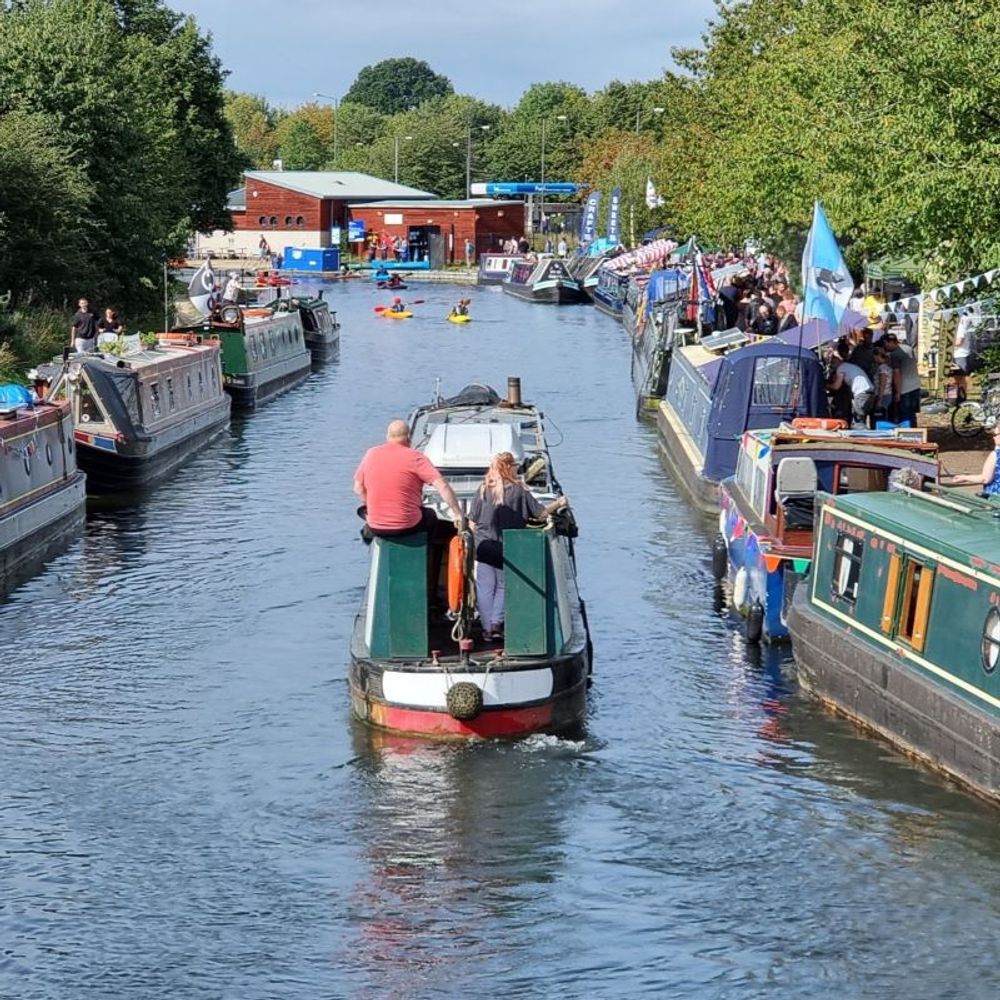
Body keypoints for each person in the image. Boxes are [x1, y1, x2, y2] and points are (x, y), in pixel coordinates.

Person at [468, 452, 566, 641]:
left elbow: (472, 521)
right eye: (514, 465)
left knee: (484, 587)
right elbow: (540, 514)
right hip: (507, 548)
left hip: (483, 547)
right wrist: (560, 502)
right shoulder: (519, 491)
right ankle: (496, 623)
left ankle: (487, 629)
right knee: (504, 586)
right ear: (509, 467)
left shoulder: (482, 490)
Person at [353, 420, 464, 539]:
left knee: (362, 510)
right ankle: (429, 552)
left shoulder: (371, 453)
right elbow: (443, 486)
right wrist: (458, 514)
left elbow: (358, 488)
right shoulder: (415, 457)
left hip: (376, 526)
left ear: (387, 436)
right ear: (409, 437)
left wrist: (372, 507)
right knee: (431, 516)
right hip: (408, 525)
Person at [944, 425, 1000, 497]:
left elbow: (985, 479)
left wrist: (964, 477)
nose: (993, 437)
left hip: (995, 499)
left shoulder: (995, 455)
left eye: (995, 435)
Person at [882, 332, 921, 425]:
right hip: (916, 385)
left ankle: (907, 435)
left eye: (885, 344)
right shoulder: (908, 348)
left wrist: (898, 392)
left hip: (905, 389)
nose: (885, 346)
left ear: (890, 342)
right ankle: (915, 432)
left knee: (905, 415)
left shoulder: (895, 355)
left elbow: (897, 374)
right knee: (912, 414)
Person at [828, 355, 874, 426]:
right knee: (862, 417)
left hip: (861, 393)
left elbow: (836, 386)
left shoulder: (841, 368)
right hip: (869, 392)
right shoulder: (848, 366)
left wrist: (825, 386)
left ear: (834, 363)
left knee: (858, 418)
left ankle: (859, 434)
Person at [954, 307, 978, 375]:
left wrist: (947, 344)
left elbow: (959, 342)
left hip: (960, 356)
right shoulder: (962, 327)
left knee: (961, 377)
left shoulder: (960, 327)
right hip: (961, 355)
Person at [872, 346, 893, 421]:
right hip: (888, 393)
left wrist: (879, 399)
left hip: (883, 395)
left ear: (877, 356)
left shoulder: (882, 368)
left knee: (881, 416)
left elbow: (882, 383)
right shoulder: (888, 366)